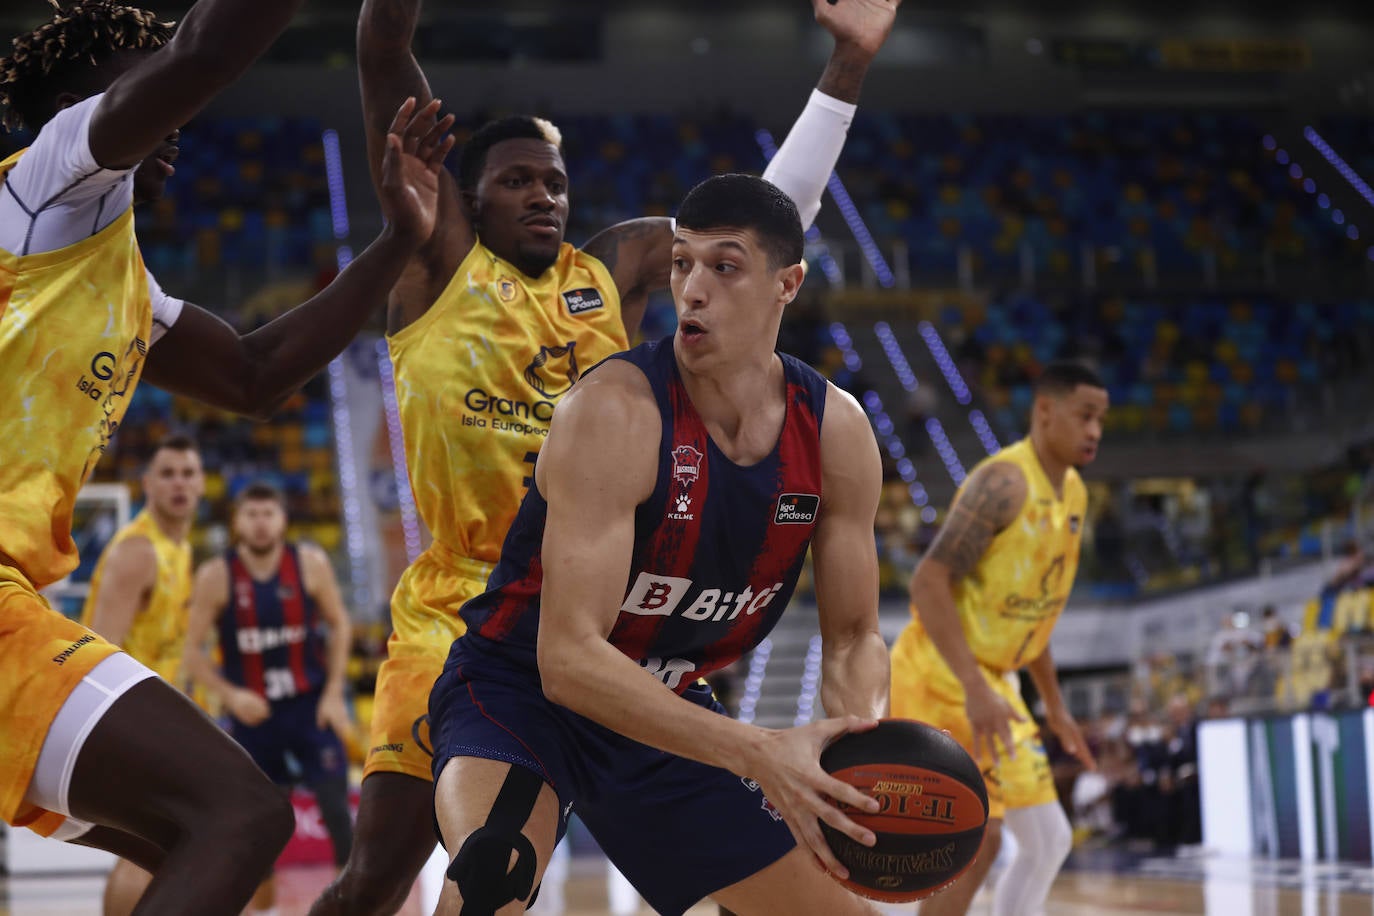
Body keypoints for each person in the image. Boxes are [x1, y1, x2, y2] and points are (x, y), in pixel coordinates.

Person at [312, 2, 902, 913]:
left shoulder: (617, 272)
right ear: (466, 200)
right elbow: (388, 66)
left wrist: (844, 71)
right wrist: (385, 30)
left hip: (638, 655)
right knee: (413, 871)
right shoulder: (443, 268)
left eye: (553, 181)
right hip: (485, 619)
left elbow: (760, 219)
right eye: (516, 181)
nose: (544, 195)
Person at [0, 1, 449, 911]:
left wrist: (400, 242)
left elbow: (254, 371)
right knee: (240, 816)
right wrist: (182, 62)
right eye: (142, 81)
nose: (178, 118)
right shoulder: (46, 179)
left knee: (212, 842)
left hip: (15, 598)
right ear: (76, 106)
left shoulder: (118, 276)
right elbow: (205, 50)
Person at [423, 174, 889, 916]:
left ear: (787, 284)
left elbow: (856, 635)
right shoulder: (614, 413)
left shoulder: (836, 431)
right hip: (520, 689)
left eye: (724, 266)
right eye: (681, 264)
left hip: (663, 704)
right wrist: (764, 754)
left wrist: (858, 751)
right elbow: (569, 662)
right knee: (492, 877)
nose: (692, 289)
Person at [889, 361, 1109, 916]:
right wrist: (973, 685)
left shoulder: (1076, 496)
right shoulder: (1004, 483)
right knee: (977, 836)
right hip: (943, 670)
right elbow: (928, 580)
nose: (1094, 432)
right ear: (1044, 411)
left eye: (1101, 419)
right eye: (1085, 416)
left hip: (994, 679)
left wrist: (1056, 708)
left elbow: (1035, 619)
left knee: (1049, 839)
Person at [184, 482, 356, 916]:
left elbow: (341, 625)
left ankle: (350, 909)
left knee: (338, 812)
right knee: (260, 829)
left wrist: (334, 691)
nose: (260, 523)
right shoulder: (217, 575)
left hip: (309, 708)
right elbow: (191, 652)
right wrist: (230, 694)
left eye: (268, 513)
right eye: (251, 514)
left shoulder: (310, 565)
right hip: (253, 717)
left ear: (283, 519)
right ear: (237, 522)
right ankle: (265, 912)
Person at [78, 435, 205, 916]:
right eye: (168, 473)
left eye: (188, 473)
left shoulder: (181, 548)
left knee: (161, 852)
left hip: (156, 722)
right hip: (123, 721)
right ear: (147, 483)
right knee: (153, 849)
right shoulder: (139, 551)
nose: (179, 483)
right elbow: (98, 645)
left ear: (201, 485)